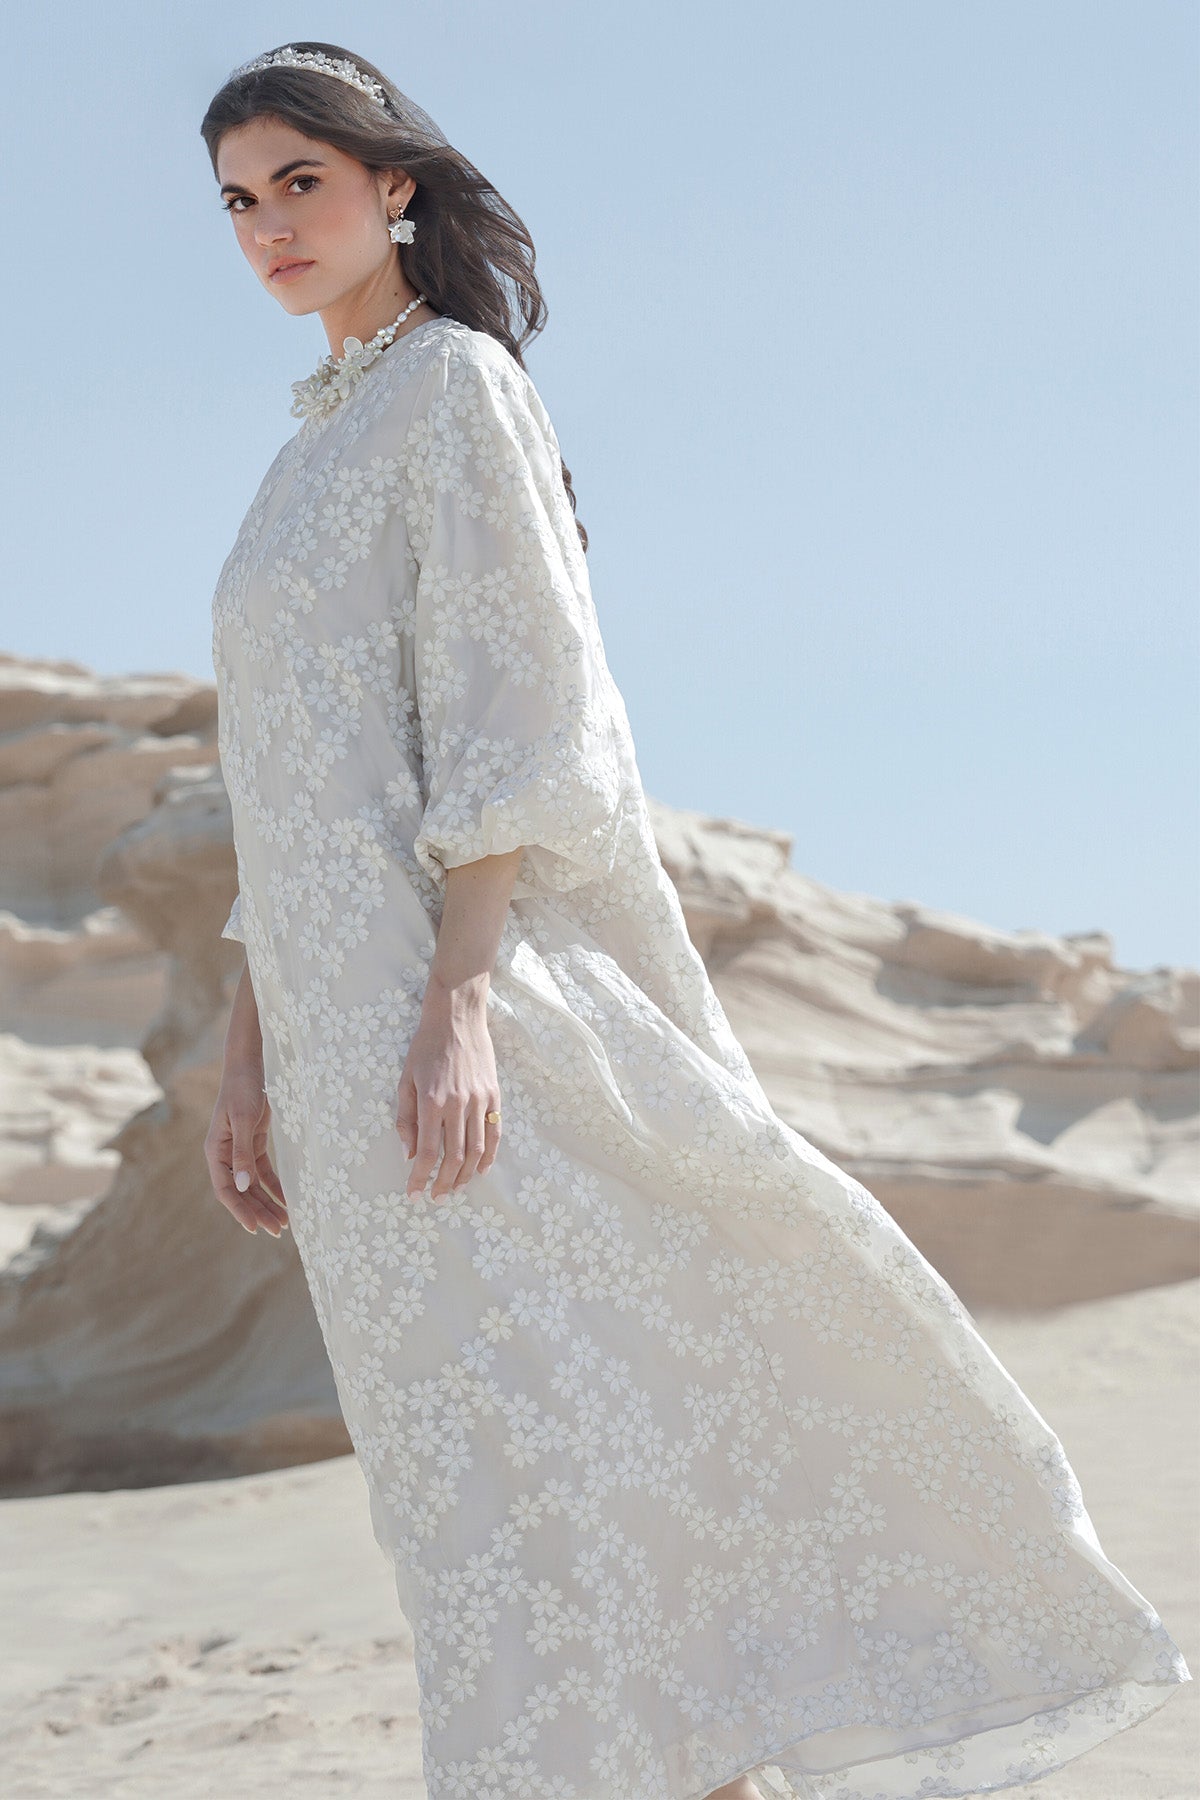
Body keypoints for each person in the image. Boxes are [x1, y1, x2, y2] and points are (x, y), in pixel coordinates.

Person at [200, 40, 1189, 1800]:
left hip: (452, 1022)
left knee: (581, 1453)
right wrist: (246, 1051)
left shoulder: (454, 388)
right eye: (237, 202)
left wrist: (462, 1000)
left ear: (393, 187)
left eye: (302, 182)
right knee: (473, 1495)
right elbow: (288, 782)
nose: (270, 225)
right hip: (336, 1057)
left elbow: (521, 698)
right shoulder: (301, 460)